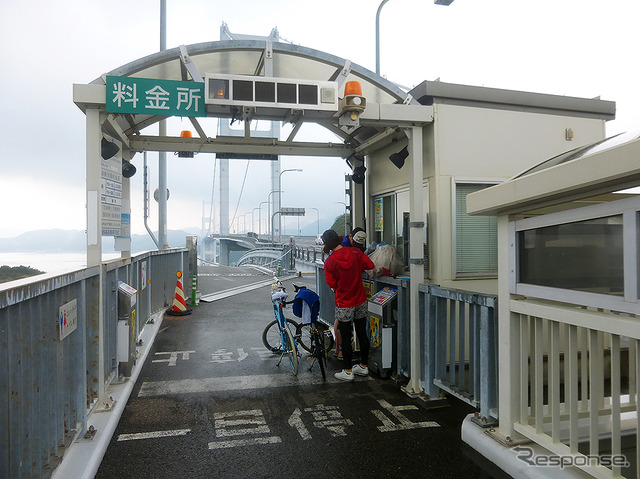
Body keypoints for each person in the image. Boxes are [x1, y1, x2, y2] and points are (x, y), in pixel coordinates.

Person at [322, 229, 375, 382]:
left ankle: (347, 370)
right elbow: (370, 264)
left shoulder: (330, 262)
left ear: (327, 245)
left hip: (344, 302)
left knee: (346, 336)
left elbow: (331, 284)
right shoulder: (355, 253)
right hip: (360, 299)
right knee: (362, 333)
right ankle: (364, 366)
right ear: (339, 239)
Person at [334, 227, 368, 359]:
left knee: (342, 323)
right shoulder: (349, 249)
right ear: (350, 237)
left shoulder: (347, 249)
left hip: (344, 295)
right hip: (351, 296)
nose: (358, 246)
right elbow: (369, 265)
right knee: (348, 329)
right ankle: (341, 351)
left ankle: (339, 351)